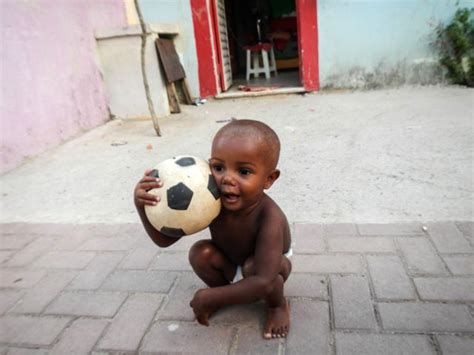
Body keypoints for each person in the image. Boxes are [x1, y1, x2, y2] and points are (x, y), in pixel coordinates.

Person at [134, 119, 292, 339]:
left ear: (269, 179)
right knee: (200, 253)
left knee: (255, 269)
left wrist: (209, 297)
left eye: (244, 172)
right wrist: (141, 205)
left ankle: (277, 306)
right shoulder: (209, 200)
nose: (227, 178)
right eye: (218, 167)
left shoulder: (269, 218)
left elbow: (264, 280)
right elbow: (164, 241)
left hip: (267, 269)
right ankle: (227, 292)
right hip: (231, 261)